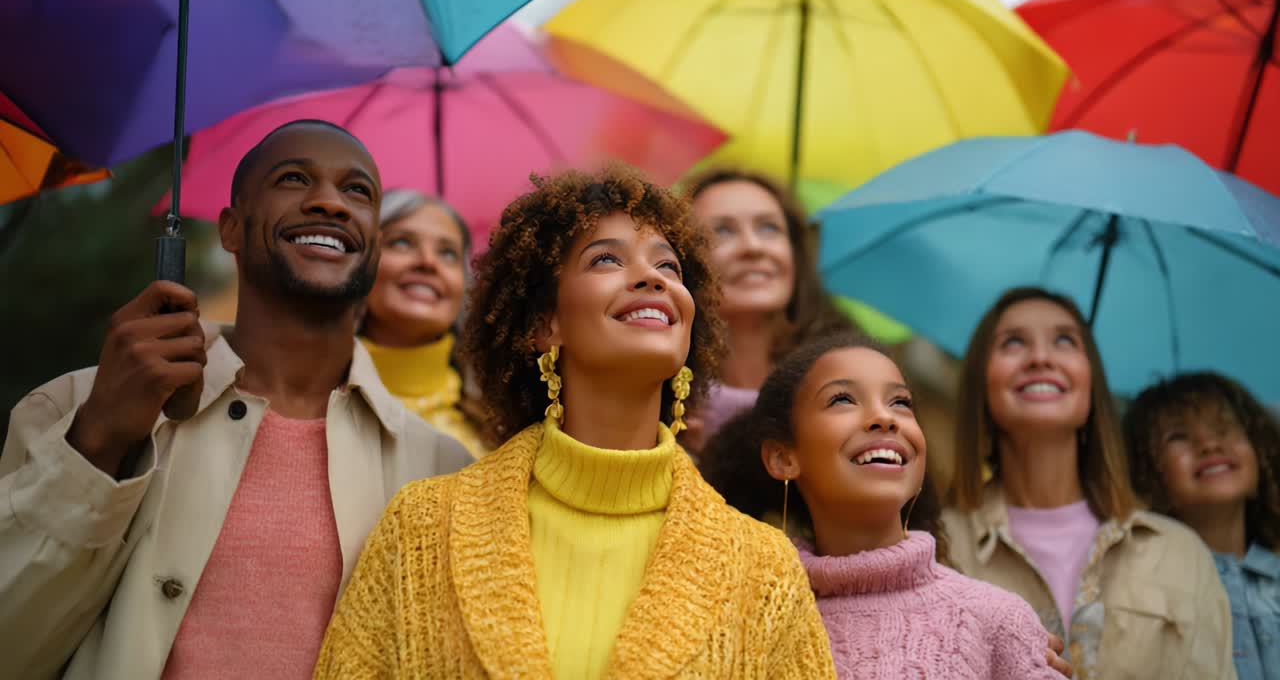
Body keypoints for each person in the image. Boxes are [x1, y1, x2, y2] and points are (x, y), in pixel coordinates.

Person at [313, 165, 836, 679]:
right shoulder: (421, 528)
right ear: (546, 323)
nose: (652, 277)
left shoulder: (766, 569)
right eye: (606, 259)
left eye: (669, 268)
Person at [0, 120, 471, 680]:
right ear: (232, 229)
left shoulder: (446, 474)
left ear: (371, 244)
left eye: (357, 191)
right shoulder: (72, 409)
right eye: (294, 178)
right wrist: (98, 441)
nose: (330, 202)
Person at [701, 332, 1068, 678]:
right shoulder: (746, 627)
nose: (885, 417)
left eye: (900, 403)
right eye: (842, 399)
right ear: (783, 458)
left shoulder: (1000, 620)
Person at [942, 286, 1236, 679]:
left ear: (1091, 384)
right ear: (981, 383)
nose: (1041, 357)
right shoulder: (936, 549)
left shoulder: (1181, 554)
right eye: (1013, 342)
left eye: (1065, 340)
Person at [1124, 372, 1280, 680]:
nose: (1209, 445)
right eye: (1178, 436)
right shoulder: (1146, 591)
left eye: (1223, 429)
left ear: (1261, 451)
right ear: (1144, 471)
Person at [684, 167, 853, 450]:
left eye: (769, 227)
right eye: (722, 231)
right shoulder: (663, 399)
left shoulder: (844, 384)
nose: (752, 247)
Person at [358, 188, 487, 456]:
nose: (428, 262)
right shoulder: (309, 408)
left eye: (448, 253)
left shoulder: (498, 429)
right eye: (402, 242)